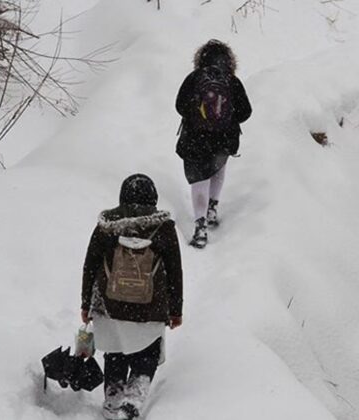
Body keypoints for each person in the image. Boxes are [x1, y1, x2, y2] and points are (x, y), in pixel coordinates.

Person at [81, 174, 183, 420]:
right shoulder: (164, 228)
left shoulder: (106, 226)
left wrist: (86, 304)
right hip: (151, 306)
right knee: (146, 353)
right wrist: (176, 310)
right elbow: (174, 270)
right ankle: (133, 399)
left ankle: (113, 398)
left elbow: (91, 265)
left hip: (110, 304)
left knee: (115, 351)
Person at [175, 39, 252, 248]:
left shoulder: (194, 78)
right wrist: (226, 119)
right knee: (218, 167)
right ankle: (212, 208)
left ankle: (200, 227)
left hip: (194, 140)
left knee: (199, 180)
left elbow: (179, 106)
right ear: (229, 61)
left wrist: (198, 117)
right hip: (223, 140)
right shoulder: (232, 81)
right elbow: (246, 112)